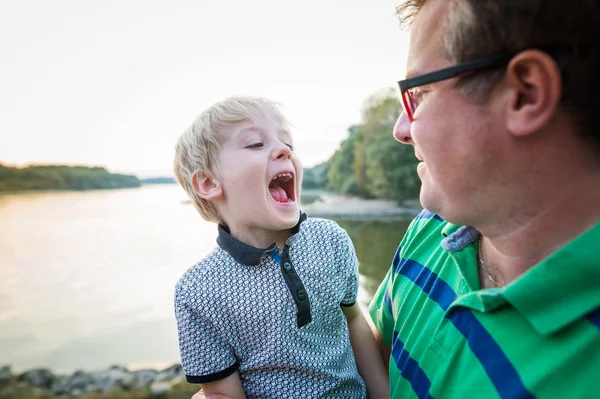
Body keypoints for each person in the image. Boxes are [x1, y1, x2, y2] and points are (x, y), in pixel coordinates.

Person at [369, 0, 600, 397]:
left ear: (526, 93)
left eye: (419, 93)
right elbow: (375, 367)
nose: (401, 129)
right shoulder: (429, 233)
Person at [173, 96, 389, 399]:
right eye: (255, 144)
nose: (284, 150)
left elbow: (354, 320)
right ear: (208, 183)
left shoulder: (331, 240)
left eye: (288, 143)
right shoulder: (197, 292)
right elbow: (223, 392)